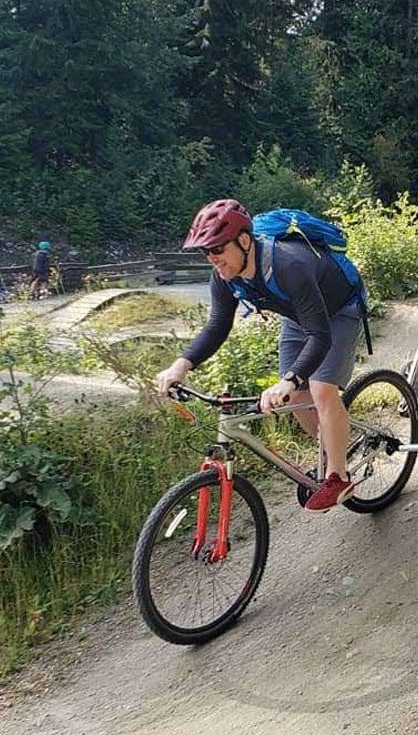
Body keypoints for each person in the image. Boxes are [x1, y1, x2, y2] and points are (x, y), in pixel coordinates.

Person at [155, 199, 366, 512]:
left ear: (243, 241)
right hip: (299, 317)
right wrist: (180, 365)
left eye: (217, 249)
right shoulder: (225, 275)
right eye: (206, 252)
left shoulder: (289, 264)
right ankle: (334, 445)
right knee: (295, 398)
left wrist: (290, 379)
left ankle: (338, 474)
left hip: (339, 311)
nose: (212, 259)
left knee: (320, 388)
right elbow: (216, 327)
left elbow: (320, 336)